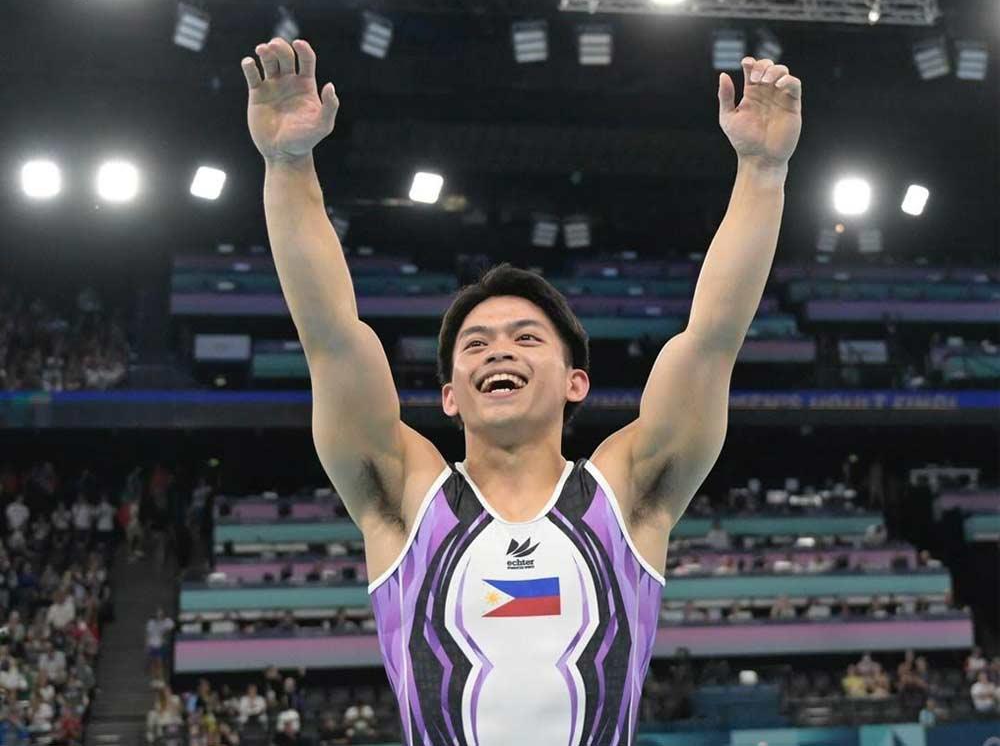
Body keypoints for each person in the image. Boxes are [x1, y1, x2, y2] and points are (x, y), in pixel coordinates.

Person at [241, 36, 802, 746]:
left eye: (526, 337)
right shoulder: (404, 499)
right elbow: (330, 338)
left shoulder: (627, 493)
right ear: (449, 395)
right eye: (475, 343)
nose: (498, 348)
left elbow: (713, 340)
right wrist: (288, 165)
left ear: (576, 382)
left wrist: (762, 171)